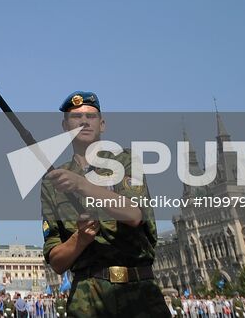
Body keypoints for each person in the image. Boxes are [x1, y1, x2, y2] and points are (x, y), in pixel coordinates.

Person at [40, 91, 171, 318]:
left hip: (138, 291)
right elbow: (57, 262)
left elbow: (133, 214)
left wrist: (82, 185)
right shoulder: (53, 183)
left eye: (90, 116)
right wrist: (79, 239)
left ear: (102, 124)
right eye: (76, 116)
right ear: (64, 126)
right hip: (87, 298)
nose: (83, 121)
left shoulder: (125, 162)